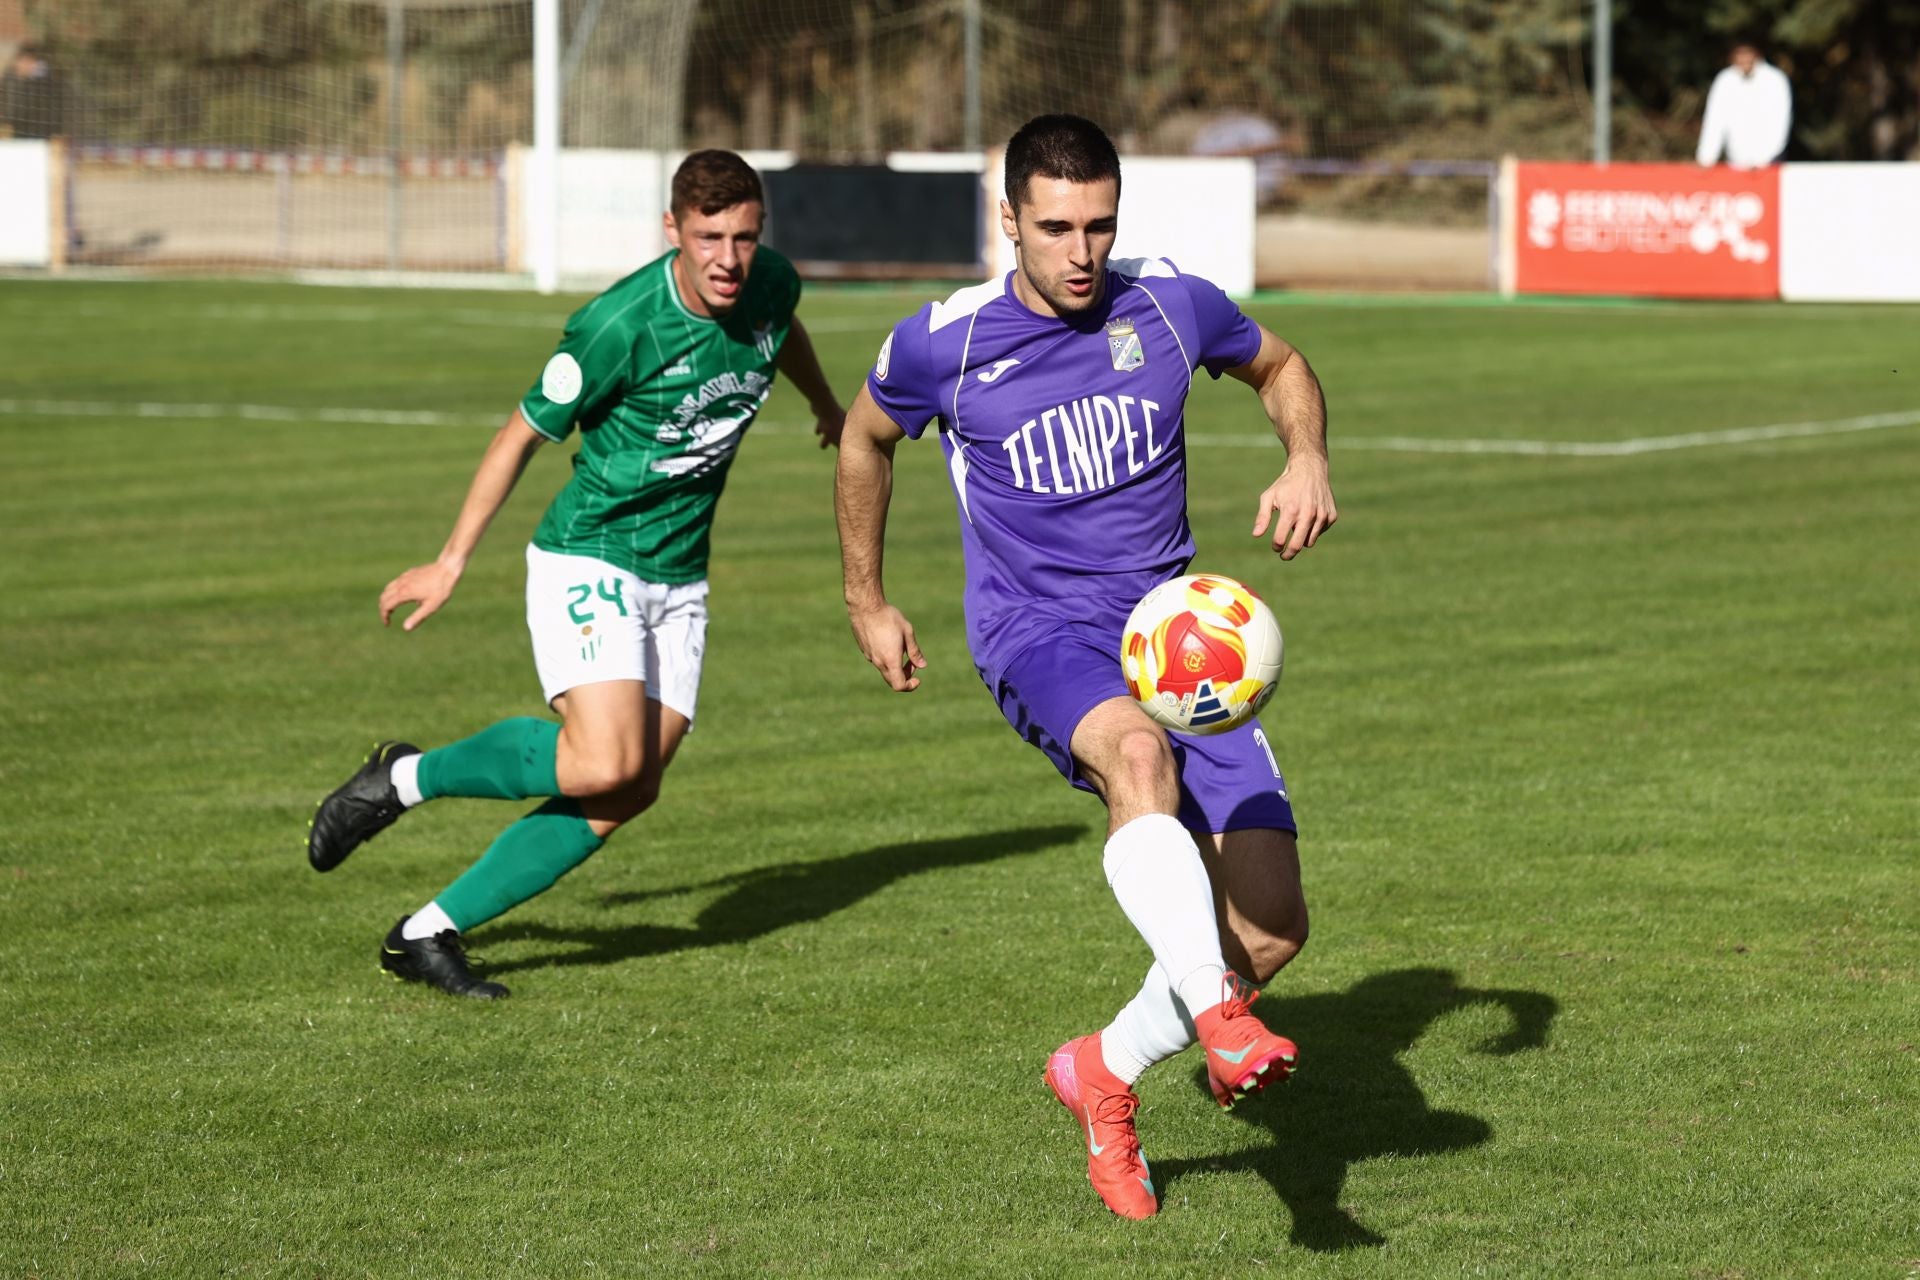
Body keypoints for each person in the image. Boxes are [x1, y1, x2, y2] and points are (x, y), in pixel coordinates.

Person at [835, 114, 1336, 1220]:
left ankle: (1101, 1071)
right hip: (1038, 631)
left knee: (1271, 928)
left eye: (1099, 226)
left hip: (1176, 634)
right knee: (1134, 754)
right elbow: (865, 437)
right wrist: (868, 599)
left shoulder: (1168, 302)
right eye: (1055, 227)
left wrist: (1304, 454)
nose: (1081, 252)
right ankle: (1220, 1023)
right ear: (1006, 219)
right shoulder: (943, 343)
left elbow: (1282, 363)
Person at [308, 149, 845, 999]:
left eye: (745, 236)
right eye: (709, 237)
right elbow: (520, 434)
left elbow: (783, 335)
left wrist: (823, 402)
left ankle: (425, 933)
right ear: (673, 229)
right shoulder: (617, 324)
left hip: (681, 575)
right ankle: (405, 777)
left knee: (631, 788)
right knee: (600, 762)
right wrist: (451, 562)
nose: (729, 259)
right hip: (589, 555)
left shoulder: (772, 285)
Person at [1696, 36, 1792, 169]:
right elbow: (1714, 121)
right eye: (1739, 54)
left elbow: (1780, 121)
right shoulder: (1725, 80)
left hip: (1769, 162)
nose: (1744, 59)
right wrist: (1706, 159)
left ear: (1756, 53)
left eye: (1747, 53)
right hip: (1736, 162)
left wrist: (1766, 160)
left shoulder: (1775, 80)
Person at [0, 44, 66, 140]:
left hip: (37, 132)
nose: (26, 65)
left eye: (31, 62)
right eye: (24, 61)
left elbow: (50, 108)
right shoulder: (8, 78)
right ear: (17, 61)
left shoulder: (42, 83)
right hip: (13, 131)